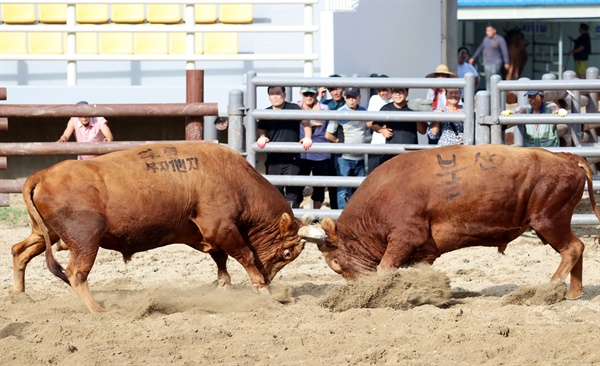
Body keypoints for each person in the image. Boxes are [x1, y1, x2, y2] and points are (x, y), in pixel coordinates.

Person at [257, 86, 313, 208]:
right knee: (275, 191)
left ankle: (292, 219)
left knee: (292, 192)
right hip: (273, 159)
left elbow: (306, 123)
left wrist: (308, 137)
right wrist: (262, 137)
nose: (275, 96)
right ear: (269, 96)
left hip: (291, 158)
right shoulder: (265, 112)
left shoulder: (293, 108)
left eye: (278, 93)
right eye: (272, 94)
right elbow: (261, 129)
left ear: (284, 94)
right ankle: (280, 221)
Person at [325, 88, 367, 210]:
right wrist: (340, 142)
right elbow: (328, 134)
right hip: (344, 158)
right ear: (345, 98)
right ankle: (342, 217)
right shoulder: (340, 112)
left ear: (359, 97)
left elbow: (371, 124)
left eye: (353, 97)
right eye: (348, 97)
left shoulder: (364, 112)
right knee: (342, 190)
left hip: (359, 158)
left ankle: (355, 215)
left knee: (359, 190)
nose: (351, 100)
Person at [371, 87, 427, 167]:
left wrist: (417, 114)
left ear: (407, 93)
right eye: (395, 91)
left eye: (401, 91)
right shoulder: (386, 108)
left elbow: (423, 131)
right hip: (391, 154)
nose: (398, 94)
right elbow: (374, 124)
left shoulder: (413, 108)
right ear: (391, 94)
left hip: (410, 154)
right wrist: (382, 130)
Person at [295, 86, 331, 209]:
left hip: (320, 151)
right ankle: (294, 211)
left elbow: (328, 129)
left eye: (311, 94)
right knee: (298, 184)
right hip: (301, 152)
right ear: (301, 94)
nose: (309, 97)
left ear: (316, 95)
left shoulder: (324, 108)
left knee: (319, 186)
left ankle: (316, 214)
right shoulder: (295, 107)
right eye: (306, 94)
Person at [319, 74, 345, 209]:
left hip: (344, 148)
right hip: (327, 147)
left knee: (345, 180)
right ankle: (334, 211)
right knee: (332, 180)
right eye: (331, 89)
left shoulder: (349, 104)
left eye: (337, 88)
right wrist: (319, 96)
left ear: (343, 88)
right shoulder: (324, 105)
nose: (335, 92)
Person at [469, 24, 510, 90]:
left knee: (494, 78)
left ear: (494, 31)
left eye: (490, 30)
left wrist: (506, 62)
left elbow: (504, 51)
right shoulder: (485, 39)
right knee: (488, 79)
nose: (488, 32)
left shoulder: (500, 39)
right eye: (487, 31)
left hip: (496, 63)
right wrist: (473, 58)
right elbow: (480, 48)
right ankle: (489, 94)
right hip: (487, 63)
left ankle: (496, 92)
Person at [366, 74, 393, 172]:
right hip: (376, 145)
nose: (381, 93)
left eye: (384, 89)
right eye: (379, 90)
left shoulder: (397, 100)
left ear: (391, 88)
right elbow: (368, 123)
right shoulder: (374, 99)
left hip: (392, 146)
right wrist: (382, 129)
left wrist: (378, 123)